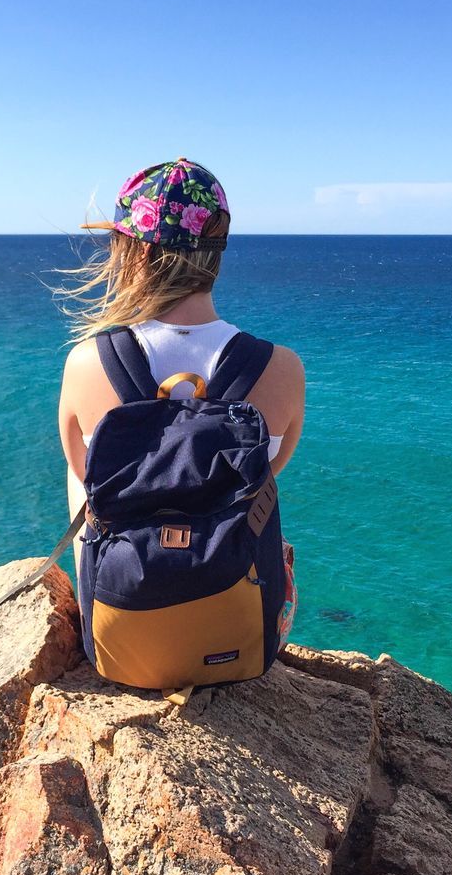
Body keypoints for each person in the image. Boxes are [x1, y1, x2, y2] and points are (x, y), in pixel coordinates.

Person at [55, 157, 306, 640]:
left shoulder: (87, 362)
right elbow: (270, 473)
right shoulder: (283, 368)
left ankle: (99, 610)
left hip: (121, 637)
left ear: (138, 255)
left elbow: (86, 479)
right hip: (240, 638)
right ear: (218, 249)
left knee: (85, 465)